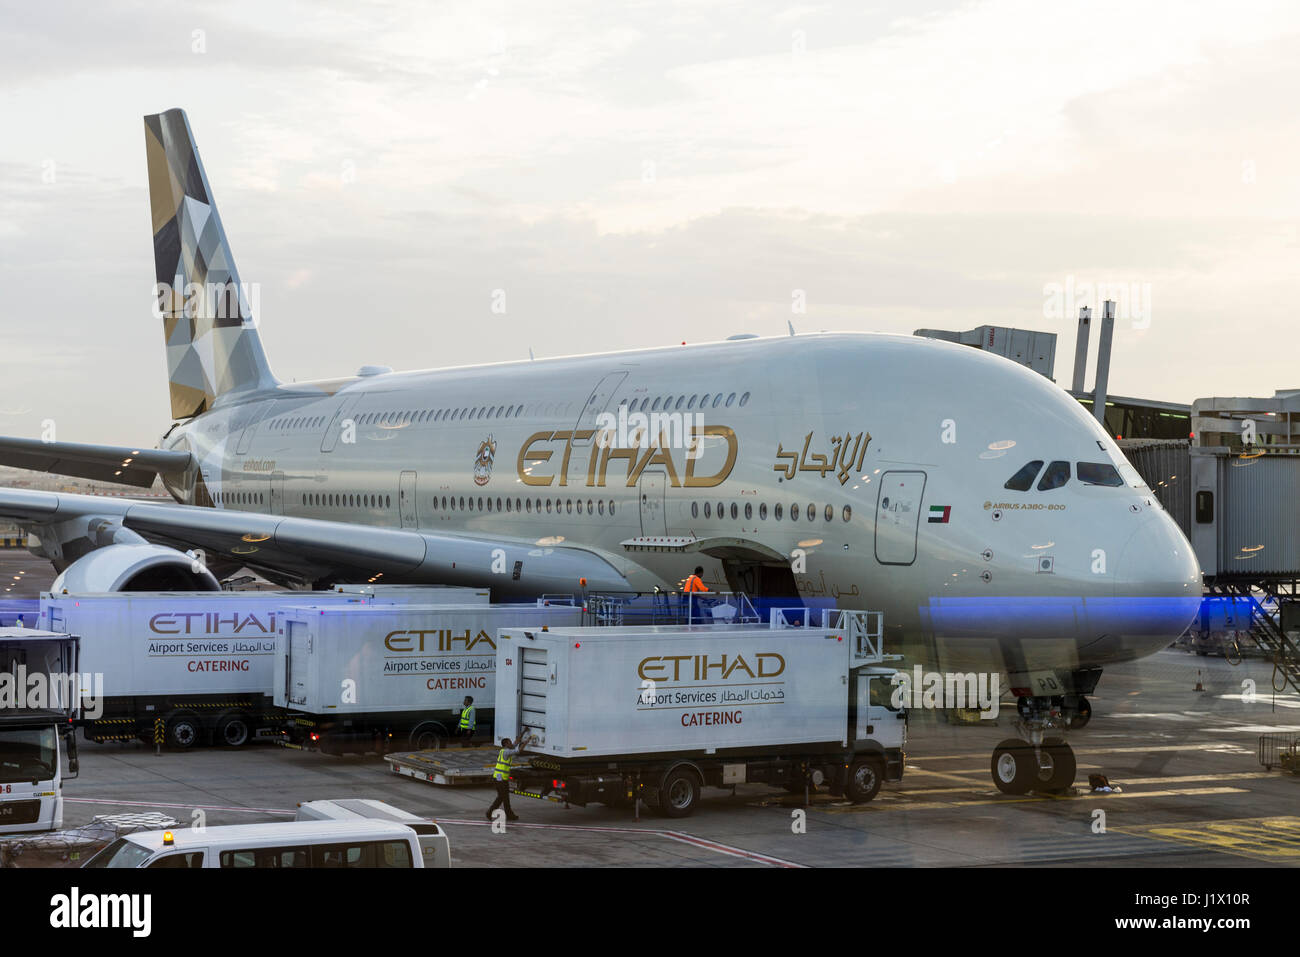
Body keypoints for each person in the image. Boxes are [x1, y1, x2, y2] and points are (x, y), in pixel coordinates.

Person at [487, 730, 533, 822]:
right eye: (510, 742)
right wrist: (528, 740)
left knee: (505, 797)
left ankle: (509, 814)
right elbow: (519, 750)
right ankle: (490, 812)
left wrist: (523, 731)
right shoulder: (506, 752)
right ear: (506, 744)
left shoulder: (506, 750)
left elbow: (517, 741)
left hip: (501, 778)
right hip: (499, 778)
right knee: (502, 797)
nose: (512, 743)